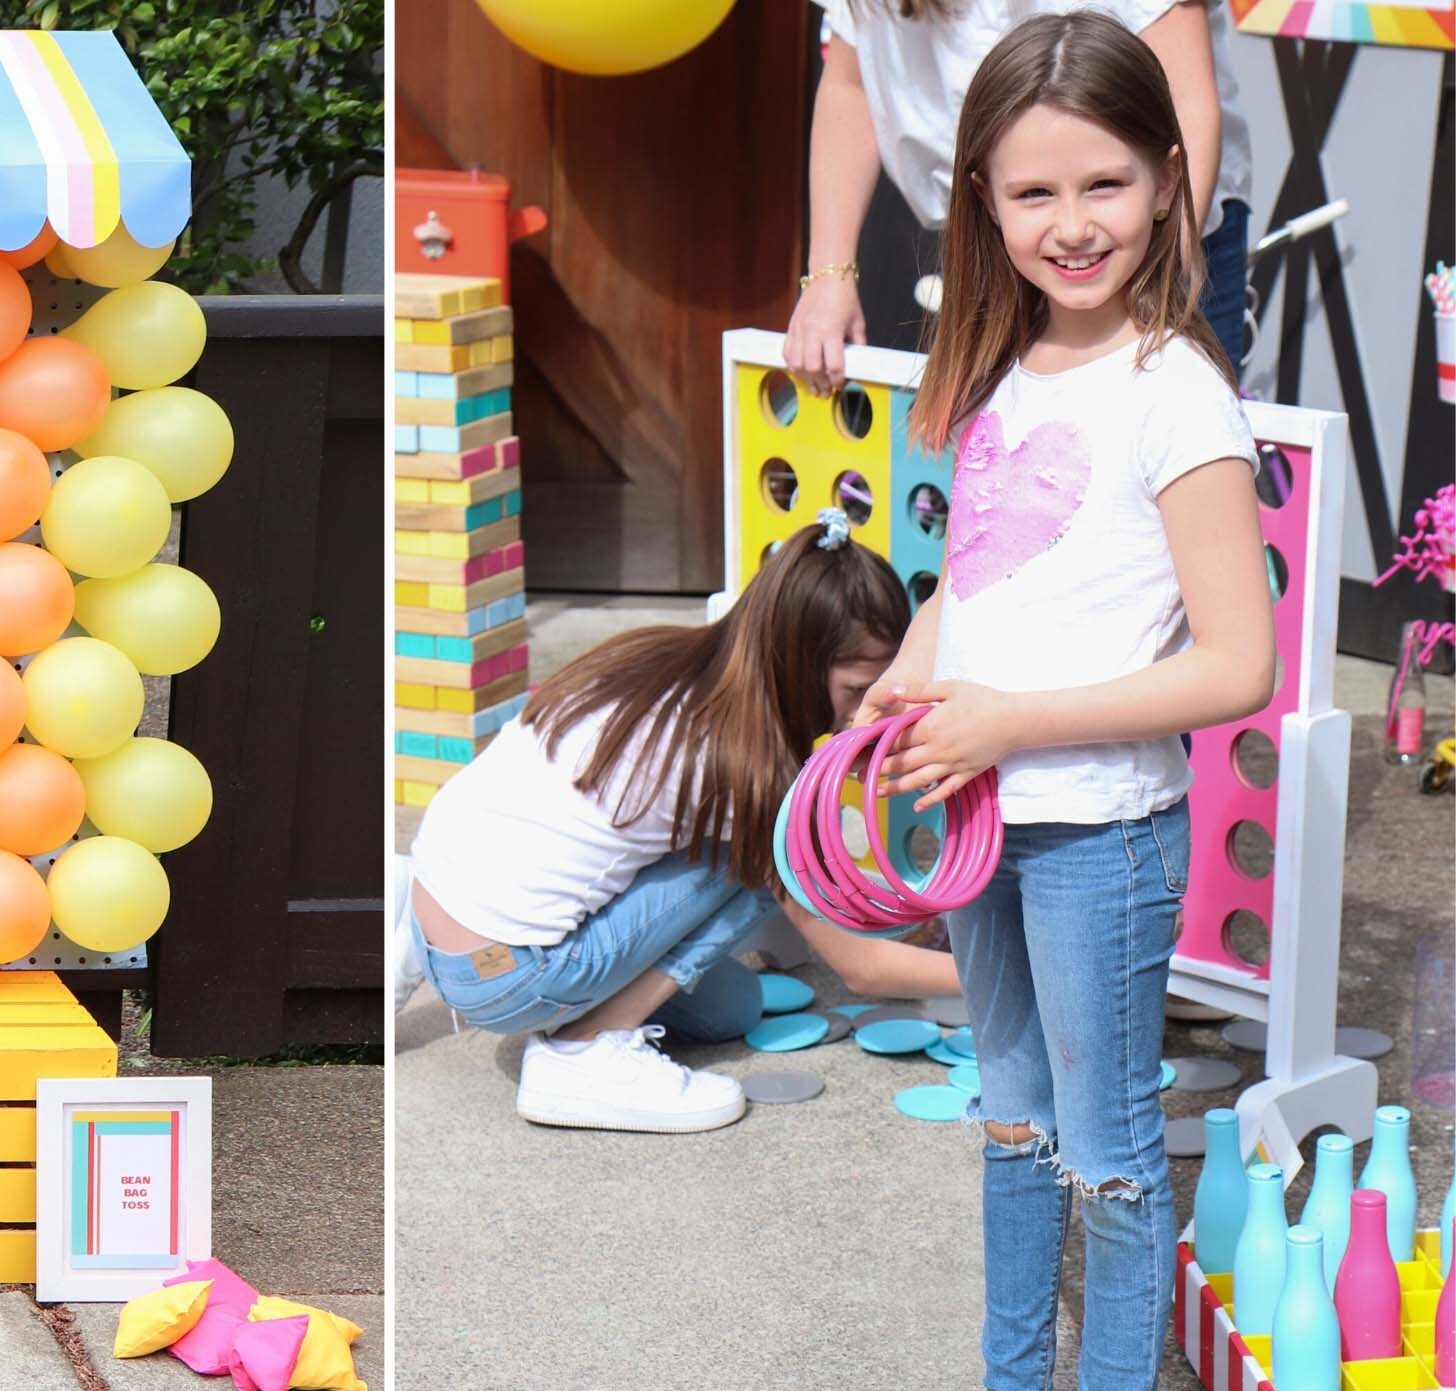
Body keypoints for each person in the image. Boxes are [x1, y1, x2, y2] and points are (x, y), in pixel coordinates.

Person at [854, 15, 1273, 1387]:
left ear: (1169, 178)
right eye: (1034, 191)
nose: (1072, 223)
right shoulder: (998, 373)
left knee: (1109, 1153)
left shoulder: (1179, 396)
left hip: (1101, 832)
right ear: (980, 196)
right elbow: (980, 576)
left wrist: (1012, 721)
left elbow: (1238, 665)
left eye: (1104, 184)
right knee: (1013, 1121)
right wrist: (914, 677)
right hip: (982, 814)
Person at [402, 515, 967, 1135]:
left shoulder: (666, 660)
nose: (866, 712)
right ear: (800, 663)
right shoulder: (745, 768)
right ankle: (584, 1049)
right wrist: (989, 978)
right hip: (507, 975)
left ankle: (406, 929)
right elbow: (861, 970)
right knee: (769, 852)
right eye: (857, 689)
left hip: (447, 895)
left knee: (734, 1008)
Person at [789, 0, 1255, 395]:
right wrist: (829, 274)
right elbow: (851, 80)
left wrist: (1165, 275)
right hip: (1004, 247)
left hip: (1152, 242)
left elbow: (1187, 98)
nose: (1073, 229)